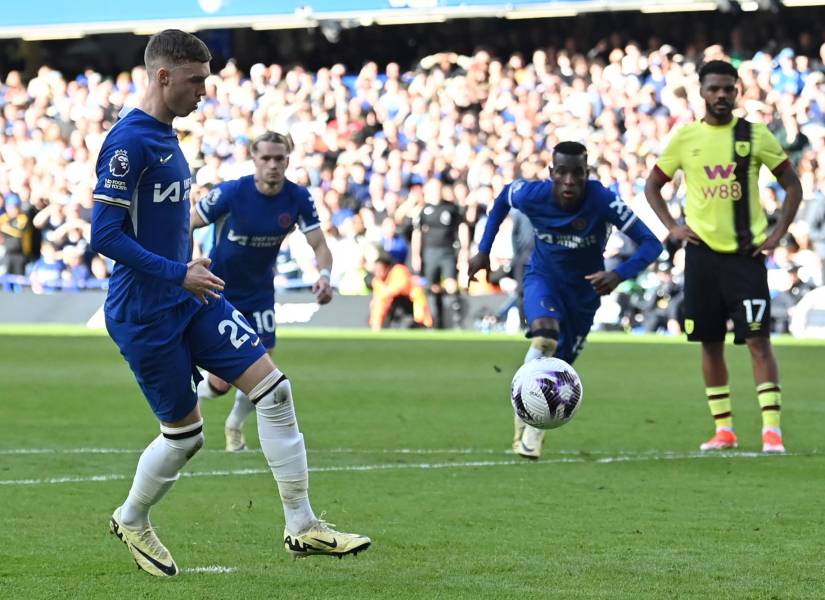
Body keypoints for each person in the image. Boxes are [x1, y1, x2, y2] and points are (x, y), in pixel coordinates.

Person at [90, 30, 369, 578]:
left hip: (192, 297)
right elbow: (104, 235)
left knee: (276, 389)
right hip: (145, 312)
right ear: (163, 76)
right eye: (196, 81)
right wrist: (178, 271)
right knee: (185, 437)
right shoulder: (130, 143)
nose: (204, 92)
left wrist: (186, 274)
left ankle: (302, 524)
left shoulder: (166, 134)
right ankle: (132, 517)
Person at [644, 59, 803, 454]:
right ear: (701, 91)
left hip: (744, 257)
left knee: (758, 340)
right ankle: (724, 430)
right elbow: (653, 186)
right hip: (701, 258)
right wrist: (673, 227)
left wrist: (777, 234)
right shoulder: (685, 138)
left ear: (737, 92)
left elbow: (792, 185)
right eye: (714, 88)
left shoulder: (754, 134)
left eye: (728, 89)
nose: (721, 95)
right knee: (709, 342)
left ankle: (771, 432)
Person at [469, 141, 662, 459]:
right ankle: (526, 422)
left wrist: (619, 274)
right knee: (546, 334)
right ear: (551, 173)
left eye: (577, 174)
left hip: (584, 294)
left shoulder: (602, 200)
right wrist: (483, 249)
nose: (570, 181)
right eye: (562, 173)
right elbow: (504, 197)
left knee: (560, 368)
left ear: (587, 173)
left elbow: (651, 244)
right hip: (542, 279)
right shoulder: (533, 195)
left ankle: (536, 420)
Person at [190, 131, 333, 452]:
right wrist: (185, 267)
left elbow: (320, 244)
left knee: (264, 371)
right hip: (219, 293)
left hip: (259, 295)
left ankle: (234, 425)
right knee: (220, 383)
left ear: (288, 160)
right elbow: (187, 223)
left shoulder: (297, 198)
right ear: (254, 159)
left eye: (279, 158)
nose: (272, 165)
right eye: (265, 158)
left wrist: (324, 275)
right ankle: (185, 401)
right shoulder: (230, 192)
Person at [411, 180, 469, 329]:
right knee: (432, 286)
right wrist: (416, 255)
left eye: (438, 188)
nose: (435, 191)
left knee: (451, 284)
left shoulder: (451, 208)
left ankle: (457, 321)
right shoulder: (423, 210)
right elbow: (417, 233)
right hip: (430, 252)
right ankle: (436, 321)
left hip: (447, 251)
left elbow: (462, 227)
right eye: (432, 189)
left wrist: (464, 249)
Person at [369, 252, 433, 330]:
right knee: (378, 302)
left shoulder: (399, 270)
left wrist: (386, 292)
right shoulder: (377, 281)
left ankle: (424, 324)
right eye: (375, 270)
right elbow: (378, 298)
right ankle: (376, 327)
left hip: (409, 299)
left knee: (417, 294)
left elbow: (401, 287)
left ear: (387, 268)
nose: (377, 273)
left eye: (380, 269)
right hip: (392, 305)